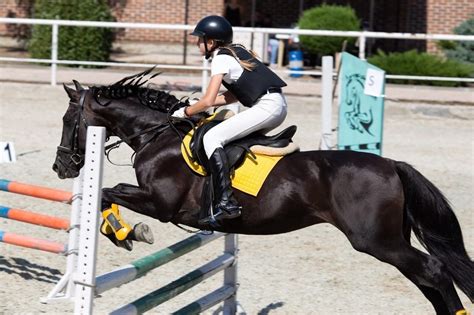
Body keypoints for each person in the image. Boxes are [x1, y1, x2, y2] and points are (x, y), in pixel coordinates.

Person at [173, 15, 288, 221]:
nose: (198, 44)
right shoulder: (235, 52)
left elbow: (208, 100)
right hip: (276, 105)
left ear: (211, 42)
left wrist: (186, 112)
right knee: (228, 137)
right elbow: (233, 95)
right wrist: (198, 105)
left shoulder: (220, 58)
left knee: (211, 138)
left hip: (266, 107)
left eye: (200, 40)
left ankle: (226, 203)